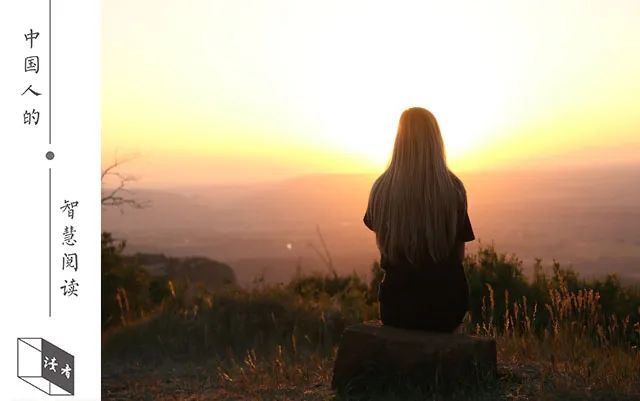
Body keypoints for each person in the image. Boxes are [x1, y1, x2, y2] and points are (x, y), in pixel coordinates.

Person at [363, 107, 475, 332]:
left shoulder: (381, 189)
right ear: (436, 141)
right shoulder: (453, 189)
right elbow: (458, 255)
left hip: (396, 307)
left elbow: (384, 245)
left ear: (399, 140)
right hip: (446, 308)